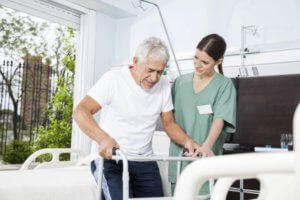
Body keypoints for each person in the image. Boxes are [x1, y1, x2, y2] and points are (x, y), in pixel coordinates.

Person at [73, 37, 201, 200]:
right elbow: (81, 111)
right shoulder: (113, 79)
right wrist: (103, 139)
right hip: (112, 160)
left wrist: (187, 141)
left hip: (145, 161)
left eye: (159, 71)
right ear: (135, 61)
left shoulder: (163, 84)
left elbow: (169, 124)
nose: (154, 78)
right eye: (150, 70)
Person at [168, 34, 237, 195]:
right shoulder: (180, 83)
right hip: (179, 159)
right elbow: (169, 119)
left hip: (206, 161)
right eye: (196, 58)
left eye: (204, 62)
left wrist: (206, 146)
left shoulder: (224, 85)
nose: (197, 65)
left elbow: (220, 119)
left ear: (218, 61)